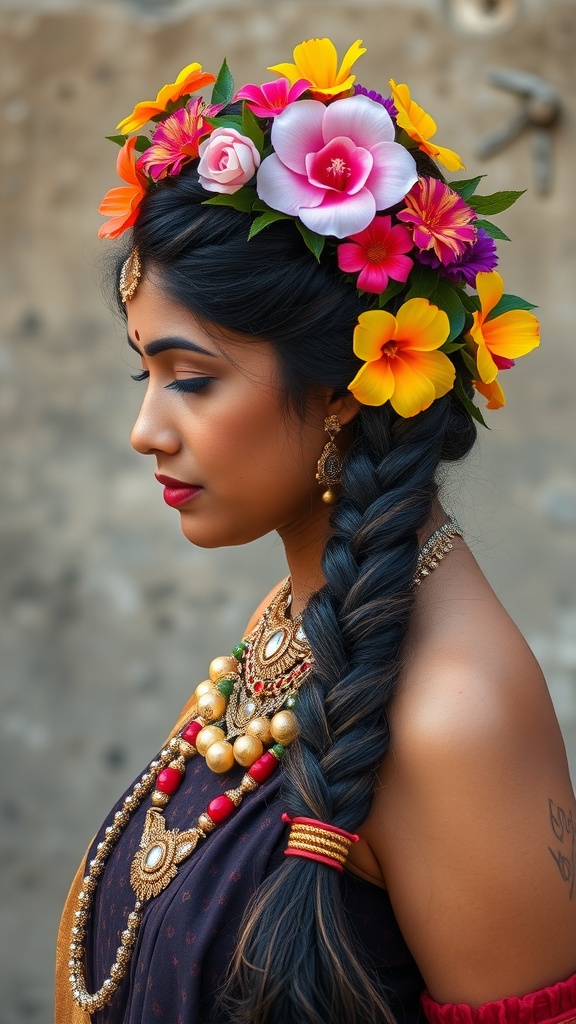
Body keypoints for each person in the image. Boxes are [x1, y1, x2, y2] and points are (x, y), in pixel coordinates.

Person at [56, 37, 576, 1024]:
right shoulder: (295, 623)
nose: (145, 430)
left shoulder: (454, 723)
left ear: (347, 386)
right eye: (145, 373)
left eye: (192, 378)